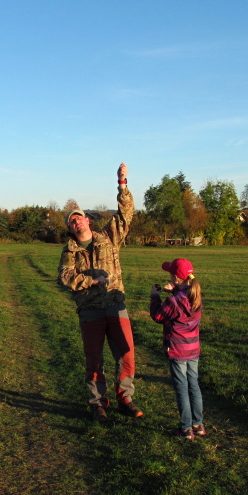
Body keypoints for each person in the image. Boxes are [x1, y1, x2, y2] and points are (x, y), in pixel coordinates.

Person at [58, 162, 143, 423]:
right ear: (71, 228)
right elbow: (65, 277)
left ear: (87, 220)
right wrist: (91, 281)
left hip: (116, 305)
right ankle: (97, 403)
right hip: (90, 310)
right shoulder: (69, 251)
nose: (76, 222)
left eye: (79, 218)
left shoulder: (109, 237)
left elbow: (126, 214)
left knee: (126, 355)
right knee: (94, 360)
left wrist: (122, 184)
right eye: (72, 221)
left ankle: (125, 398)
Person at [149, 258, 207, 440]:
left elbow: (158, 317)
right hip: (193, 348)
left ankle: (185, 428)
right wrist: (174, 290)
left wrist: (155, 296)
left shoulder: (174, 301)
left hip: (177, 349)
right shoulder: (195, 294)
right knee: (193, 385)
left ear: (175, 277)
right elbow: (182, 303)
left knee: (181, 387)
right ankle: (198, 425)